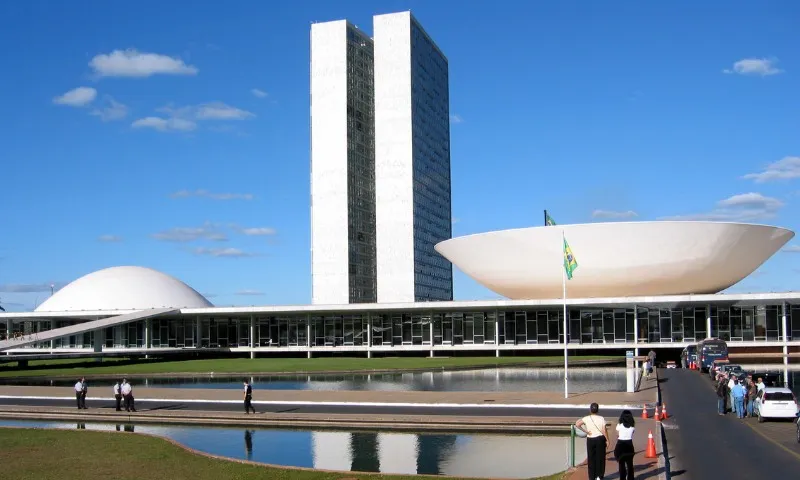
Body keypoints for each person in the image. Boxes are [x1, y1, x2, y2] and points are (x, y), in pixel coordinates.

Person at [576, 402, 609, 480]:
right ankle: (599, 476)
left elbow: (577, 424)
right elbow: (604, 430)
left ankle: (591, 477)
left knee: (591, 458)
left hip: (590, 439)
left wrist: (586, 431)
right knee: (600, 458)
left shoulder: (586, 418)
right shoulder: (601, 418)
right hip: (600, 439)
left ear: (590, 410)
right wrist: (607, 440)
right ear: (598, 410)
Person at [613, 410, 636, 480]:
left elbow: (617, 435)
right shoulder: (632, 427)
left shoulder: (619, 425)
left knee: (621, 464)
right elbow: (632, 434)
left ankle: (622, 478)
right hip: (629, 445)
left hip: (620, 445)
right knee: (630, 465)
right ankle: (630, 478)